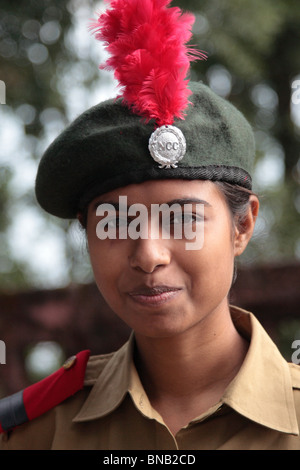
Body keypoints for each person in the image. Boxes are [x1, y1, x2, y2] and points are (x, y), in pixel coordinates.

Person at [1, 0, 300, 450]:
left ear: (243, 226)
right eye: (115, 223)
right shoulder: (35, 432)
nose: (148, 255)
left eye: (183, 219)